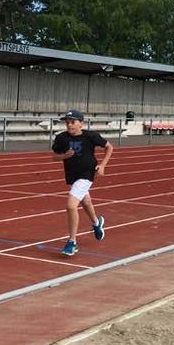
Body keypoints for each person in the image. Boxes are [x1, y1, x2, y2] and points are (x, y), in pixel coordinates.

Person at [51, 109, 113, 257]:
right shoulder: (61, 138)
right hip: (72, 174)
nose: (69, 125)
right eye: (67, 123)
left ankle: (72, 242)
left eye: (73, 122)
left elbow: (109, 147)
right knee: (85, 199)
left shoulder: (90, 136)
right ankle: (96, 222)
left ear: (81, 123)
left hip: (87, 174)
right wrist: (64, 156)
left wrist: (103, 165)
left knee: (71, 205)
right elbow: (54, 156)